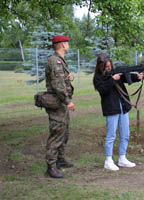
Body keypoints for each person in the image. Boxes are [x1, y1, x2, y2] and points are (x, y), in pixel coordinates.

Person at [93, 54, 143, 171]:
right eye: (106, 66)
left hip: (123, 106)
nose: (109, 68)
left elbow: (126, 77)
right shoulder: (98, 77)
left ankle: (122, 157)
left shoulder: (115, 72)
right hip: (111, 108)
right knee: (111, 136)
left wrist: (137, 77)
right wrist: (112, 79)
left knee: (125, 133)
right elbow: (103, 89)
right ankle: (108, 160)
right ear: (101, 66)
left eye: (110, 65)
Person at [45, 35, 75, 178]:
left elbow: (61, 80)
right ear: (63, 44)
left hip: (61, 104)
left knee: (64, 132)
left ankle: (60, 160)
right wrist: (68, 101)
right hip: (57, 103)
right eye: (67, 44)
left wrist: (69, 78)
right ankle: (51, 166)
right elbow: (57, 85)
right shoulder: (55, 61)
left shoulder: (60, 61)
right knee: (56, 133)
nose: (68, 46)